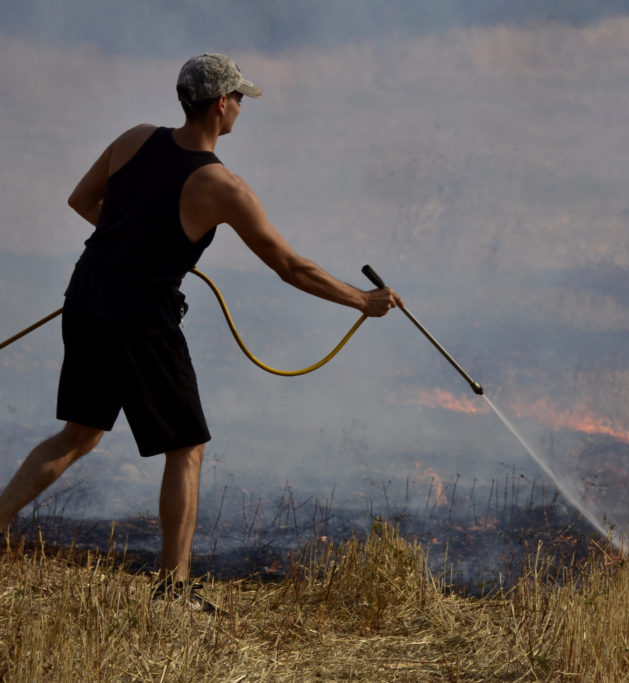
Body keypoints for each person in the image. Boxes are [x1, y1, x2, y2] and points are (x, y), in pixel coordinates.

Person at [0, 53, 401, 609]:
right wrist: (362, 300)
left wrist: (140, 247)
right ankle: (174, 588)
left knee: (80, 433)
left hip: (87, 294)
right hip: (141, 317)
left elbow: (82, 201)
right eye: (239, 98)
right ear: (220, 104)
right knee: (187, 446)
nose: (241, 108)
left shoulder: (134, 138)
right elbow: (291, 266)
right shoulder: (222, 187)